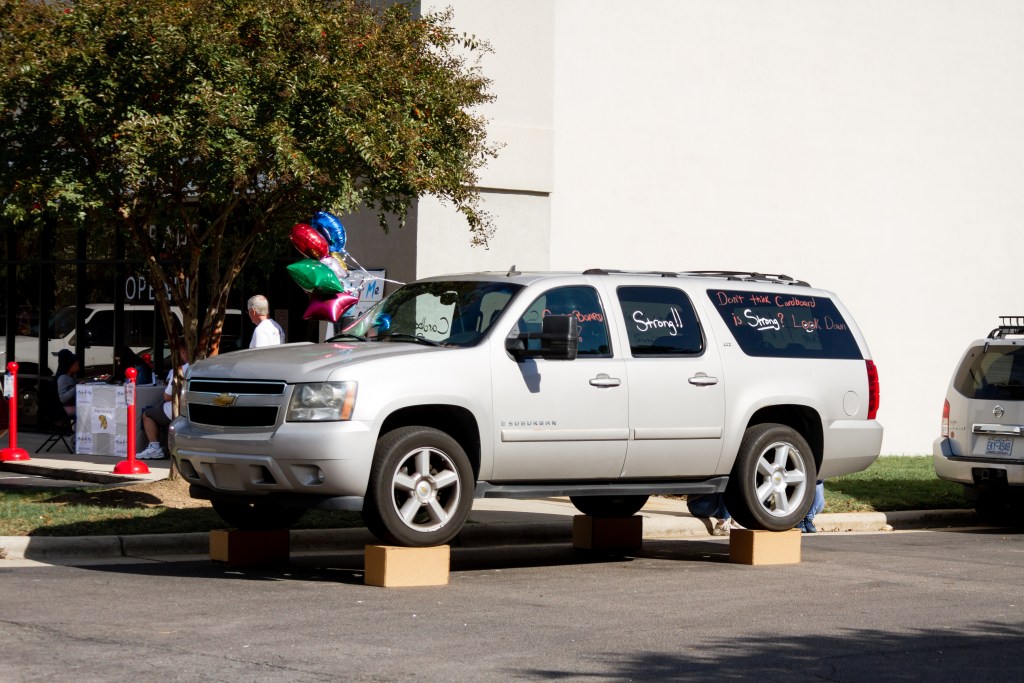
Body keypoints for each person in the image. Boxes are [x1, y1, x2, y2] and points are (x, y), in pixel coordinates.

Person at [136, 338, 189, 460]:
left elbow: (167, 396)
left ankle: (154, 447)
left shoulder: (181, 370)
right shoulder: (204, 368)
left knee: (147, 414)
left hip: (178, 409)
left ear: (183, 353)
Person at [55, 349, 80, 417]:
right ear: (70, 365)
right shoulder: (63, 378)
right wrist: (78, 387)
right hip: (67, 408)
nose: (78, 367)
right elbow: (63, 398)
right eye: (77, 365)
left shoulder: (70, 377)